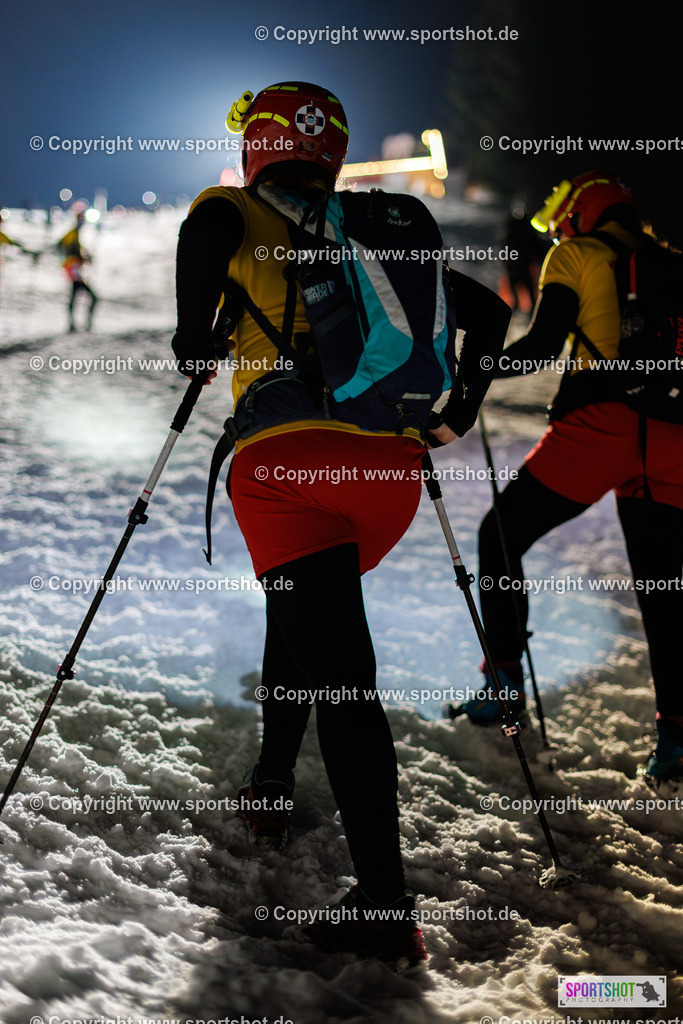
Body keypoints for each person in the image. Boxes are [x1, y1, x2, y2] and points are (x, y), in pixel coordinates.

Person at [172, 81, 510, 960]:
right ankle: (271, 778)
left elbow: (202, 233)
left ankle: (384, 911)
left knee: (343, 680)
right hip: (388, 470)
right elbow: (488, 311)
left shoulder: (238, 209)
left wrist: (188, 334)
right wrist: (457, 412)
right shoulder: (369, 230)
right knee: (306, 617)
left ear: (256, 145)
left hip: (287, 466)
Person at [435, 171, 683, 791]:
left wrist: (482, 364)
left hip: (601, 427)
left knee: (500, 535)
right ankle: (676, 739)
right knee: (662, 588)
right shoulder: (669, 260)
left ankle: (502, 686)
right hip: (673, 434)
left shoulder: (575, 254)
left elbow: (544, 344)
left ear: (578, 214)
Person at [58, 210, 97, 331]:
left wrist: (84, 257)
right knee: (89, 296)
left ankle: (74, 325)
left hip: (74, 269)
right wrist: (82, 258)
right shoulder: (72, 234)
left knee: (76, 296)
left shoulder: (75, 234)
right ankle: (84, 325)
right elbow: (66, 248)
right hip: (73, 270)